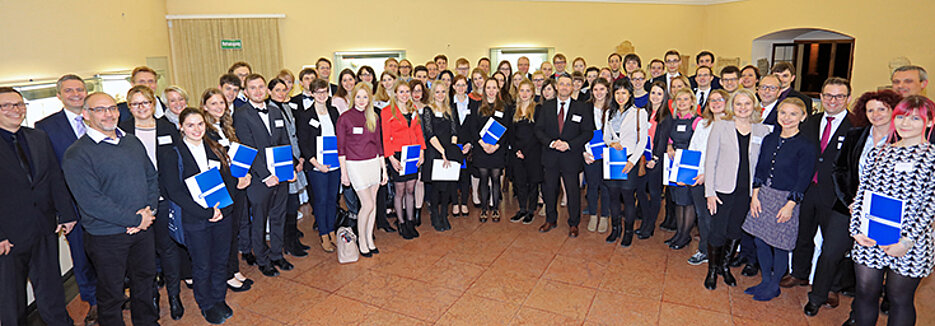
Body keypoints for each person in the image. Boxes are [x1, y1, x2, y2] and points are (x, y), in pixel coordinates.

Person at [62, 92, 160, 326]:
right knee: (111, 293)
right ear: (86, 115)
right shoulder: (77, 154)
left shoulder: (131, 141)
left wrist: (149, 212)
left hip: (143, 229)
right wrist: (134, 220)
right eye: (100, 109)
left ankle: (146, 321)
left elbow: (151, 178)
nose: (109, 114)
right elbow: (92, 201)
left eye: (112, 108)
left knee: (145, 281)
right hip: (106, 236)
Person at [848, 95, 935, 326]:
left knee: (899, 299)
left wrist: (906, 241)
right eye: (901, 117)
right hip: (871, 233)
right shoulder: (880, 152)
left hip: (911, 240)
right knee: (865, 294)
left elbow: (931, 205)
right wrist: (856, 229)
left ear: (929, 122)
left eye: (915, 118)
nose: (906, 123)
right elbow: (862, 193)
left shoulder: (931, 157)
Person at [159, 108, 248, 324]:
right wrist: (207, 213)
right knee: (202, 264)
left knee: (221, 260)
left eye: (200, 124)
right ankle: (206, 303)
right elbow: (174, 191)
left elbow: (229, 180)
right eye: (190, 125)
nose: (196, 129)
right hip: (194, 219)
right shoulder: (172, 154)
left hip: (222, 215)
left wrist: (224, 210)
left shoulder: (215, 147)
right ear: (181, 127)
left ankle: (218, 298)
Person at [0, 87, 75, 326]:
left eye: (19, 104)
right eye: (7, 106)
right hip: (8, 237)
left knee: (51, 288)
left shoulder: (38, 137)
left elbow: (54, 176)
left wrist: (66, 213)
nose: (16, 110)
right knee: (11, 299)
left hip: (44, 227)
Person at [831, 90, 902, 322]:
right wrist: (851, 201)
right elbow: (840, 170)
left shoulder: (904, 139)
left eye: (882, 109)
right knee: (863, 273)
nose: (876, 114)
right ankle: (857, 317)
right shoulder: (856, 135)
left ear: (894, 111)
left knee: (888, 269)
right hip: (853, 207)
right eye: (870, 109)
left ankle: (886, 304)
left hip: (888, 214)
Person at [33, 75, 99, 325]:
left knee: (108, 252)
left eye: (80, 89)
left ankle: (112, 295)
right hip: (71, 203)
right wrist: (62, 212)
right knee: (81, 256)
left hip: (104, 200)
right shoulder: (45, 127)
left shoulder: (100, 115)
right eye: (69, 90)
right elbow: (48, 171)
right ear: (59, 95)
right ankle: (92, 301)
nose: (75, 94)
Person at [116, 85, 184, 319]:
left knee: (168, 250)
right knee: (143, 257)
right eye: (135, 104)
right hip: (136, 204)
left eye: (145, 103)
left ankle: (174, 295)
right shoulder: (121, 131)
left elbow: (178, 163)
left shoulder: (167, 128)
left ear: (153, 105)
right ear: (128, 107)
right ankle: (151, 297)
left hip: (165, 199)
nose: (141, 108)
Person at [743, 98, 817, 301]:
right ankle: (765, 280)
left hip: (786, 200)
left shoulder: (806, 146)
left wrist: (790, 205)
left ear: (803, 117)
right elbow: (760, 167)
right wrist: (755, 195)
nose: (787, 118)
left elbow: (804, 178)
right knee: (760, 239)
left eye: (793, 114)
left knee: (780, 244)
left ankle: (774, 285)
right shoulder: (770, 138)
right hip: (764, 195)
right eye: (783, 113)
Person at [783, 78, 853, 292]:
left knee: (833, 245)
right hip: (807, 189)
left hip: (836, 195)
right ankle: (799, 273)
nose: (833, 100)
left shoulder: (856, 126)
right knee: (802, 234)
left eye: (839, 96)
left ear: (848, 98)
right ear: (821, 97)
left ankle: (830, 288)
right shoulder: (811, 122)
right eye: (828, 95)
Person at [703, 89, 771, 290]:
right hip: (722, 189)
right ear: (733, 106)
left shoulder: (762, 130)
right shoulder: (721, 126)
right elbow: (710, 161)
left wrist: (758, 194)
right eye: (738, 104)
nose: (743, 108)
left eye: (747, 104)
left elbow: (762, 165)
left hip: (746, 191)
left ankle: (725, 267)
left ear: (754, 106)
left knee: (735, 231)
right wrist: (710, 192)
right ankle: (712, 270)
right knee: (717, 231)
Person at [232, 74, 294, 277]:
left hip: (280, 175)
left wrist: (288, 169)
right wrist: (266, 175)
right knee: (259, 220)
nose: (258, 91)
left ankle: (277, 254)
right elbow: (248, 148)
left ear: (267, 90)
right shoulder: (241, 115)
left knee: (278, 216)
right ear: (246, 92)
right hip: (259, 179)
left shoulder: (276, 111)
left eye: (261, 87)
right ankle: (262, 258)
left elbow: (284, 142)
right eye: (253, 88)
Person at [200, 88, 253, 292]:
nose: (219, 107)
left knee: (234, 230)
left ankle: (233, 269)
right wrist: (235, 179)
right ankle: (226, 274)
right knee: (223, 234)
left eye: (221, 103)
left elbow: (235, 156)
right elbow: (212, 165)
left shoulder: (225, 126)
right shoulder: (204, 130)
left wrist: (244, 174)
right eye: (213, 104)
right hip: (221, 188)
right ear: (204, 106)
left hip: (237, 186)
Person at [536, 74, 593, 237]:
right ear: (556, 86)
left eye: (568, 84)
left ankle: (574, 223)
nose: (564, 87)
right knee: (550, 190)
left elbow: (588, 132)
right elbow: (538, 130)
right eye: (562, 84)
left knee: (573, 191)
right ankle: (550, 219)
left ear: (573, 87)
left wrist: (569, 144)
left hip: (571, 156)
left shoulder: (581, 107)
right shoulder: (546, 106)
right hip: (551, 155)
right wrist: (552, 143)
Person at [338, 83, 389, 257]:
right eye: (358, 97)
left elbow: (379, 145)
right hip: (355, 165)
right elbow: (341, 148)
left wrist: (384, 169)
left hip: (373, 163)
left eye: (365, 97)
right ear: (353, 98)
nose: (361, 100)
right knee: (366, 204)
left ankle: (369, 239)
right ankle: (361, 239)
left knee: (372, 204)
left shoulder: (373, 116)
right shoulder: (345, 118)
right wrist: (343, 172)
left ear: (370, 99)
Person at [295, 79, 342, 252]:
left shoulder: (334, 111)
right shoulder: (305, 115)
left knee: (332, 200)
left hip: (334, 164)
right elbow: (304, 143)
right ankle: (323, 234)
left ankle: (332, 231)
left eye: (325, 91)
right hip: (316, 167)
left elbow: (340, 136)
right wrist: (316, 163)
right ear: (312, 93)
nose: (322, 95)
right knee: (321, 201)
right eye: (318, 92)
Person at [601, 78, 647, 246]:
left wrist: (633, 161)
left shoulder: (639, 113)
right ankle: (615, 229)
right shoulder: (609, 113)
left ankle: (628, 231)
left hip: (629, 160)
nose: (620, 96)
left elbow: (642, 141)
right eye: (617, 92)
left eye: (624, 93)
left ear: (630, 94)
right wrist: (611, 142)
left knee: (628, 197)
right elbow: (605, 136)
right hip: (613, 158)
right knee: (613, 195)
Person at [685, 89, 729, 266]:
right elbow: (693, 148)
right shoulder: (703, 124)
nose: (716, 103)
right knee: (702, 216)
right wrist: (688, 174)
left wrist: (707, 174)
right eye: (712, 100)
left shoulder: (732, 125)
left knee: (718, 217)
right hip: (698, 177)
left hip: (719, 180)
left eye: (720, 100)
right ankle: (704, 250)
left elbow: (727, 157)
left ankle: (719, 253)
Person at [268, 78, 309, 258]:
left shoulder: (286, 106)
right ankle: (288, 242)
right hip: (285, 163)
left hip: (296, 158)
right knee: (289, 205)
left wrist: (300, 157)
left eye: (284, 90)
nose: (282, 93)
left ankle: (293, 239)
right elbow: (277, 142)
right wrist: (294, 161)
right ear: (270, 92)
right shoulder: (270, 110)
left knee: (294, 203)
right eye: (277, 90)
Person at [382, 81, 426, 238]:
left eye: (407, 91)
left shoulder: (413, 109)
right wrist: (391, 158)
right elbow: (385, 137)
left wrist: (422, 152)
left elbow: (419, 132)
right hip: (397, 155)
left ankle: (410, 221)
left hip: (413, 153)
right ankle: (400, 222)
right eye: (401, 92)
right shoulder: (387, 112)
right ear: (395, 93)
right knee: (399, 191)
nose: (405, 94)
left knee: (410, 189)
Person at [665, 88, 703, 250]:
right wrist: (669, 146)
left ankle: (685, 235)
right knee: (678, 201)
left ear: (692, 102)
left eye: (685, 99)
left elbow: (700, 143)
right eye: (679, 100)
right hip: (675, 163)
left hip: (689, 164)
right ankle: (679, 233)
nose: (682, 103)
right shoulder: (673, 119)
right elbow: (670, 138)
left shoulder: (697, 121)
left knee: (688, 201)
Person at [422, 81, 462, 231]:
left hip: (448, 151)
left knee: (447, 186)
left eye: (443, 92)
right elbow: (430, 134)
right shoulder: (428, 110)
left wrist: (450, 151)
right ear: (433, 94)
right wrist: (442, 152)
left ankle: (444, 214)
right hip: (434, 151)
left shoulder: (450, 109)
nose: (440, 95)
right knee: (436, 187)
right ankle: (435, 217)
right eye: (437, 92)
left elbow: (454, 132)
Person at [635, 81, 671, 240]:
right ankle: (644, 222)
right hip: (641, 159)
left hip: (655, 161)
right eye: (653, 93)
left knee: (655, 194)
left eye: (659, 94)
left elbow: (662, 140)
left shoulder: (666, 116)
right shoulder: (643, 112)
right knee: (641, 191)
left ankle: (650, 226)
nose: (655, 97)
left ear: (664, 97)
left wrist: (655, 159)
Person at [473, 78, 513, 222]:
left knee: (496, 179)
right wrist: (483, 144)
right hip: (481, 149)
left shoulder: (504, 107)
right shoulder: (477, 106)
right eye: (488, 87)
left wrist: (496, 146)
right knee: (483, 179)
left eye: (493, 87)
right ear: (484, 90)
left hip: (498, 149)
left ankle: (495, 209)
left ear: (498, 89)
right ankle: (484, 209)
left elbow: (506, 129)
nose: (491, 90)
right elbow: (473, 128)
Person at [507, 79, 542, 225]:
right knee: (520, 182)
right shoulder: (512, 110)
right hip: (517, 153)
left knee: (533, 184)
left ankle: (531, 210)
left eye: (528, 90)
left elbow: (538, 133)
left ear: (533, 93)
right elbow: (509, 132)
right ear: (518, 92)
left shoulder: (538, 109)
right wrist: (516, 150)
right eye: (522, 90)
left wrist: (525, 151)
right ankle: (522, 208)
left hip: (533, 152)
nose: (525, 93)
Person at [581, 78, 612, 232]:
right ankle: (593, 214)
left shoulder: (613, 108)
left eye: (602, 89)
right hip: (590, 153)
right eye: (595, 89)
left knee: (606, 186)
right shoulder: (585, 107)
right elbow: (579, 131)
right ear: (591, 91)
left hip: (609, 153)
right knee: (592, 186)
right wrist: (584, 152)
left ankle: (605, 216)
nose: (599, 93)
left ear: (607, 90)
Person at [450, 75, 477, 218]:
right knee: (454, 176)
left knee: (465, 175)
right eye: (458, 85)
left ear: (467, 86)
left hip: (467, 145)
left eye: (463, 85)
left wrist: (470, 144)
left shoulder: (473, 104)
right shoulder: (448, 104)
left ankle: (465, 203)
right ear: (453, 86)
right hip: (453, 145)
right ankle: (455, 203)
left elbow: (476, 127)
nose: (461, 88)